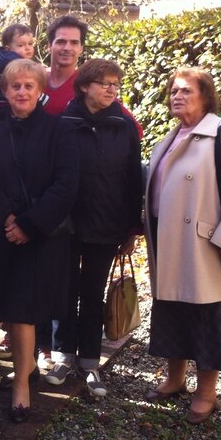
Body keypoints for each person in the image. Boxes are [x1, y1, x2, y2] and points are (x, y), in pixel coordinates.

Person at [144, 67, 221, 424]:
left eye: (186, 91)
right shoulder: (170, 138)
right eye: (174, 91)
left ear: (206, 96)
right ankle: (174, 378)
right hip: (167, 243)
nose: (177, 96)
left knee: (209, 317)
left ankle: (206, 391)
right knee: (172, 311)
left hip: (205, 247)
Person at [0, 59, 78, 424]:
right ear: (5, 91)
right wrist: (6, 216)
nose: (21, 92)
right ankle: (27, 368)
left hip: (41, 237)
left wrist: (30, 224)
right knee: (12, 310)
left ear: (40, 91)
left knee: (23, 310)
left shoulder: (59, 131)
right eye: (14, 86)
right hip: (4, 234)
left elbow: (66, 185)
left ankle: (22, 383)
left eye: (29, 86)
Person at [47, 59, 143, 397]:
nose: (111, 89)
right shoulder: (63, 123)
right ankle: (61, 356)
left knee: (93, 292)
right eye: (104, 83)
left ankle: (90, 361)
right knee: (64, 289)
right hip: (67, 225)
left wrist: (133, 228)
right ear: (85, 86)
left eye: (115, 84)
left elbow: (134, 180)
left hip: (107, 223)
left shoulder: (124, 126)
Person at [0, 23, 36, 114]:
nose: (28, 48)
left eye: (30, 44)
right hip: (8, 105)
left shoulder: (4, 60)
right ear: (8, 48)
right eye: (21, 45)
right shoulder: (14, 63)